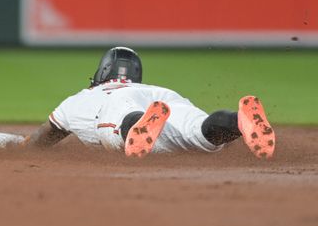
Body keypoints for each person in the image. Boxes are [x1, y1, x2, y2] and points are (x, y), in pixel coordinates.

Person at [26, 47, 276, 159]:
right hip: (164, 99)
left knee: (119, 123)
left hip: (120, 105)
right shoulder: (149, 88)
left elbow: (42, 139)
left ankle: (136, 125)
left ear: (102, 72)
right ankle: (237, 121)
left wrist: (24, 148)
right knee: (199, 130)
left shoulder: (82, 98)